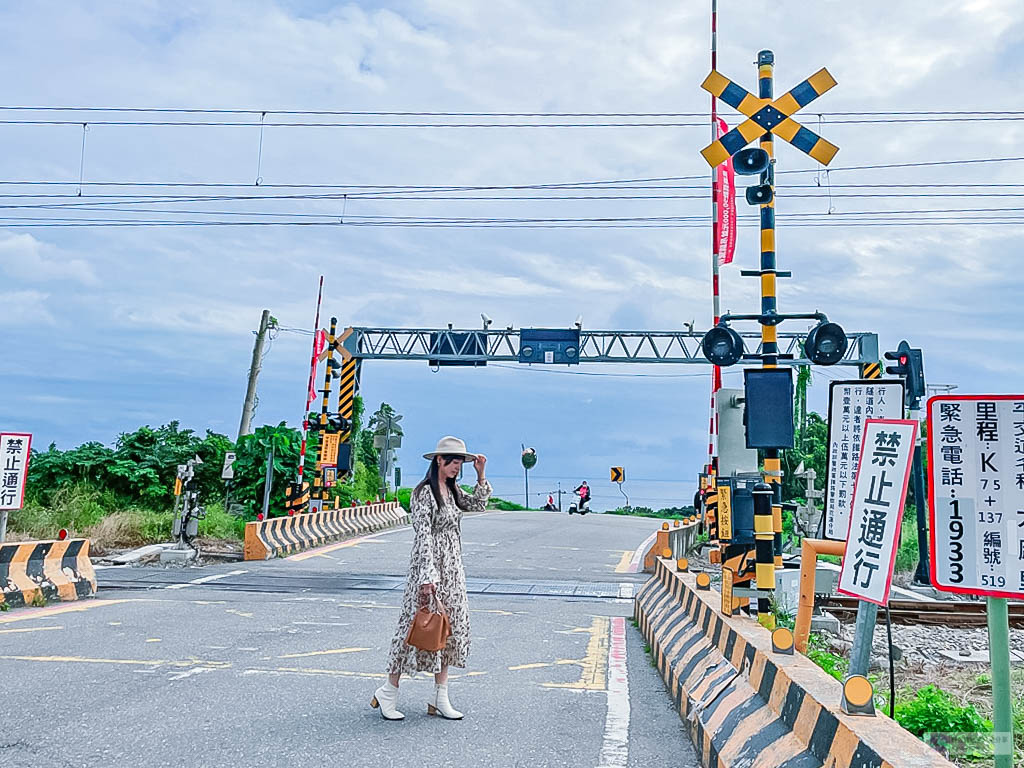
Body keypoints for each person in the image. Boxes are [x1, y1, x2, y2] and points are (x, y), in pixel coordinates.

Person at [371, 436, 491, 721]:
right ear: (439, 460)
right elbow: (422, 534)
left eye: (461, 462)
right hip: (429, 568)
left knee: (448, 629)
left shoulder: (452, 491)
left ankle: (440, 696)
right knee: (412, 629)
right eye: (453, 462)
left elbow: (478, 505)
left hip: (452, 568)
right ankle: (388, 691)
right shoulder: (424, 493)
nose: (457, 467)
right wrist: (428, 576)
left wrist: (481, 475)